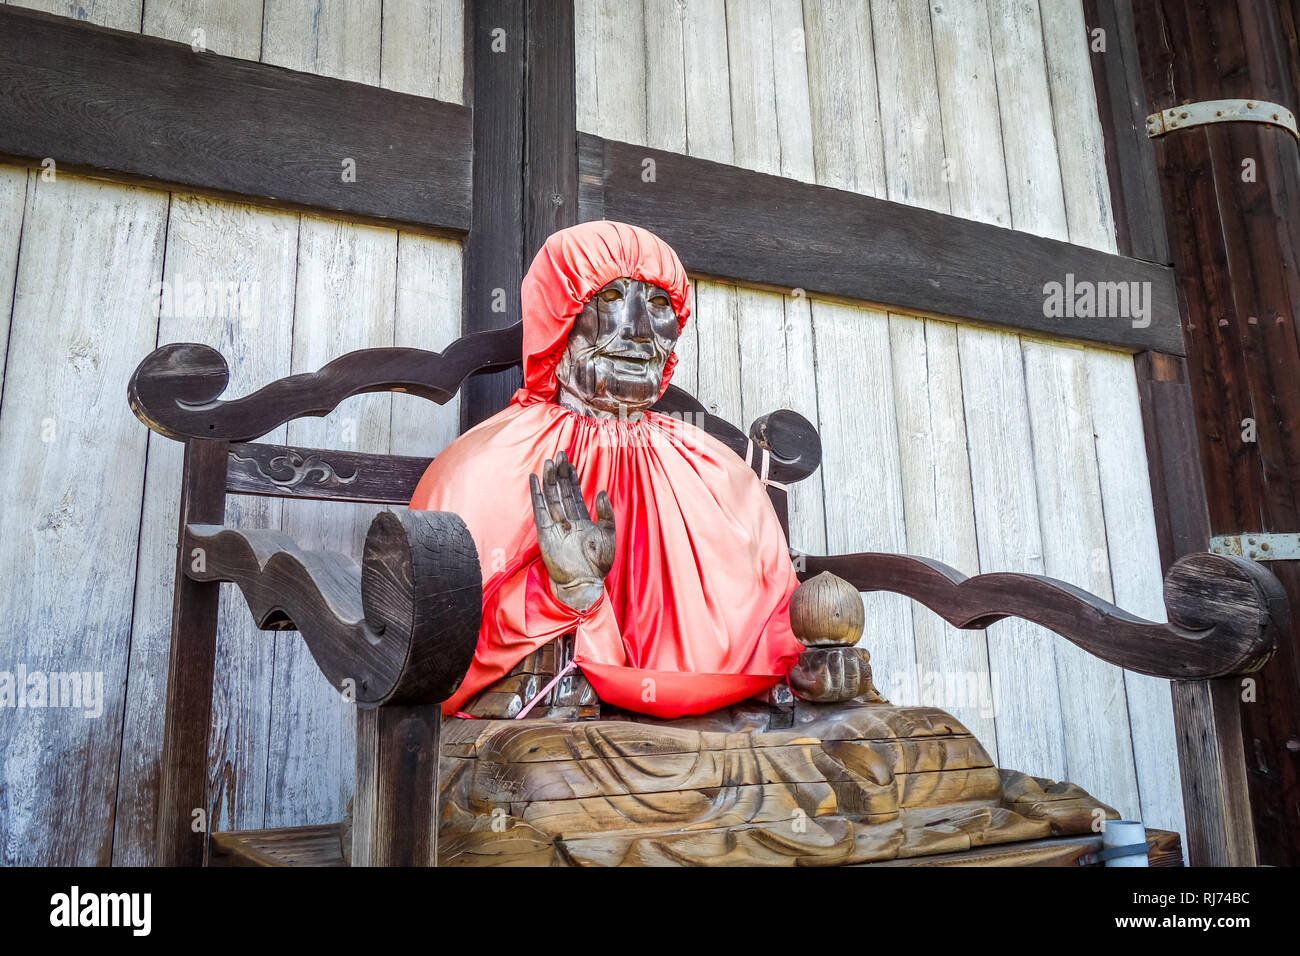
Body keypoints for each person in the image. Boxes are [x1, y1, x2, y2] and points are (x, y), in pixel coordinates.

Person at [411, 221, 869, 718]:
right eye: (609, 297)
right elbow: (438, 649)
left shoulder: (717, 469)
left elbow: (772, 622)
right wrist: (566, 594)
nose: (638, 331)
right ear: (558, 315)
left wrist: (813, 661)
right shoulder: (485, 465)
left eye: (658, 307)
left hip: (717, 730)